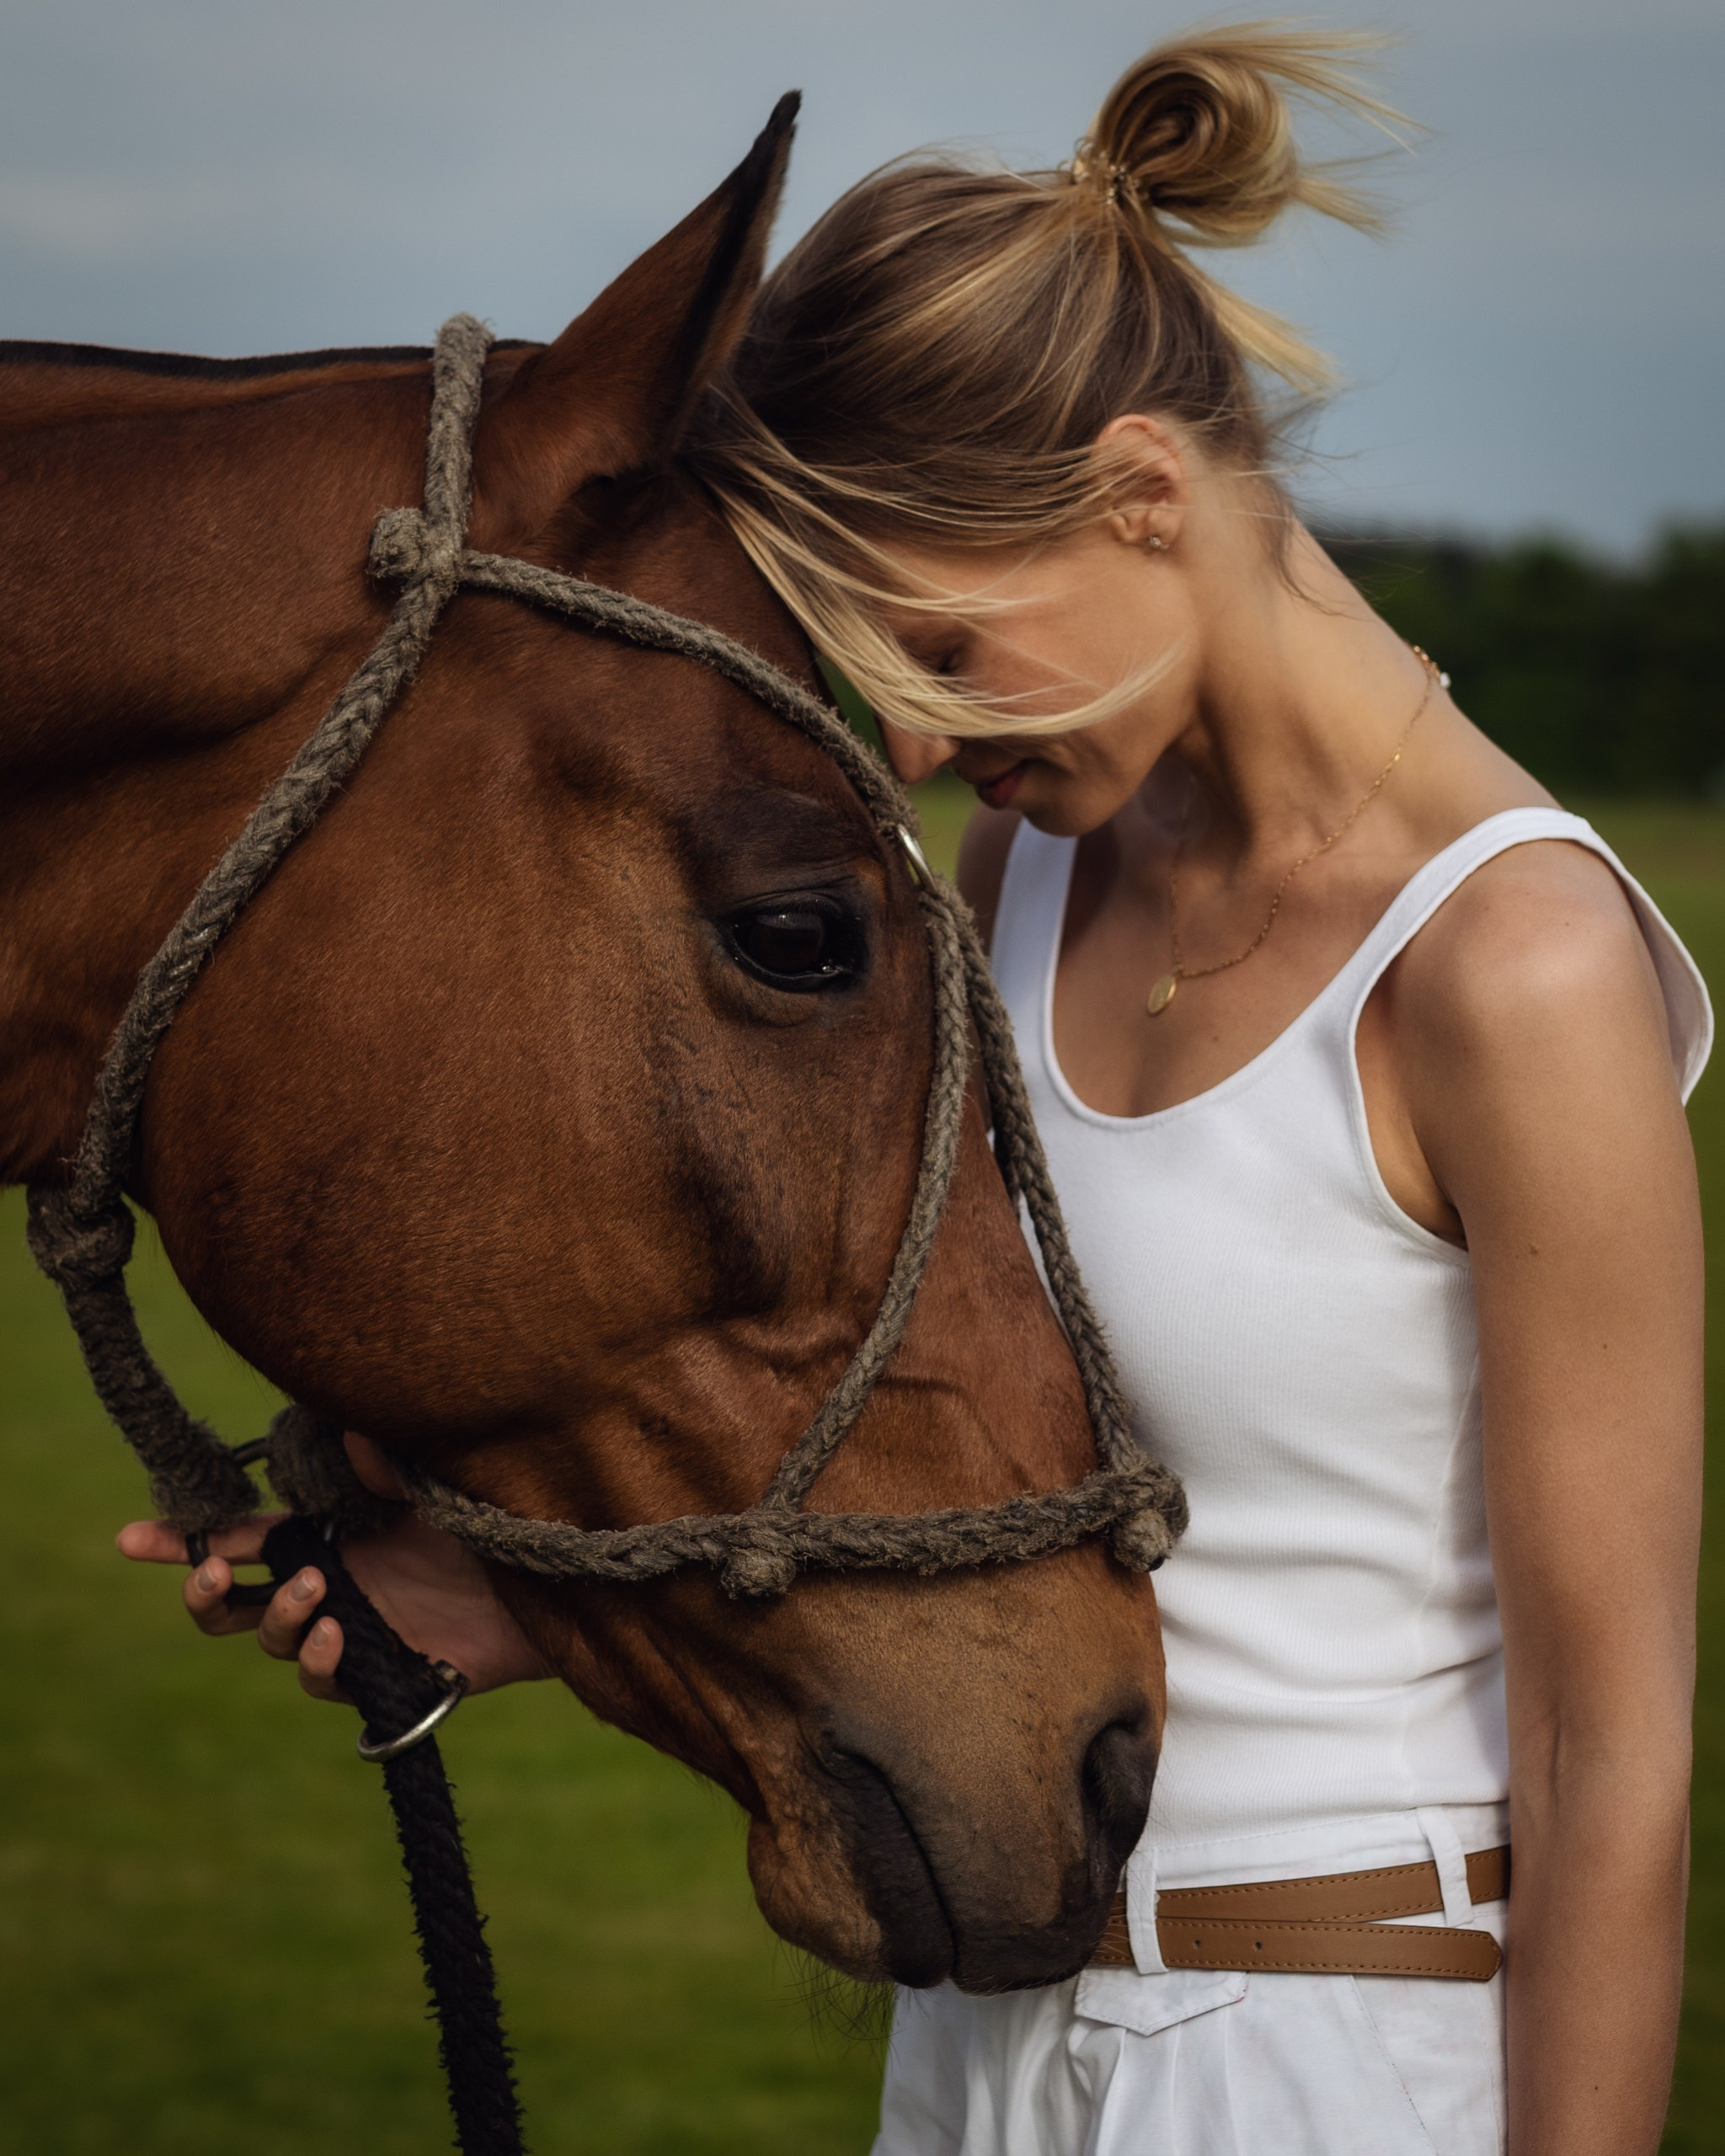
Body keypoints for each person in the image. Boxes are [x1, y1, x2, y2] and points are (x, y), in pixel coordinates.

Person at [123, 26, 1711, 2155]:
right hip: (984, 2037)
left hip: (1336, 2049)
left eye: (943, 654)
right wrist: (518, 1591)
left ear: (1146, 496)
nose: (927, 748)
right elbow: (945, 1438)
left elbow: (1615, 1751)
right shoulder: (1029, 867)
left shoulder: (1512, 965)